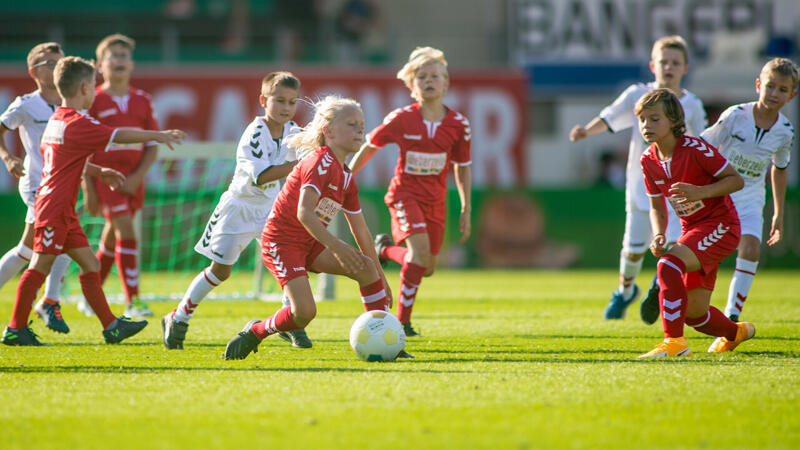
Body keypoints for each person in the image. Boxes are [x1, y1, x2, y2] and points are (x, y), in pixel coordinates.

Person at [1, 56, 185, 346]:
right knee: (38, 266)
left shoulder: (58, 118)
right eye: (93, 85)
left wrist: (99, 171)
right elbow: (119, 135)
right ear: (85, 88)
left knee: (90, 265)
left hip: (60, 207)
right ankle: (15, 329)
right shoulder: (77, 123)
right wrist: (157, 135)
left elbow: (67, 161)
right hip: (54, 207)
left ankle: (111, 326)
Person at [224, 95, 397, 360]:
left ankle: (388, 343)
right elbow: (304, 213)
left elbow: (361, 231)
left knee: (368, 270)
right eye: (351, 124)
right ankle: (257, 331)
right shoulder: (319, 162)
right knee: (304, 313)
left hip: (312, 243)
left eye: (361, 124)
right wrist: (337, 246)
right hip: (282, 243)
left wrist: (381, 278)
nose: (360, 129)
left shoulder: (346, 175)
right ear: (328, 131)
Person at [162, 71, 305, 350]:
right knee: (221, 271)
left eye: (292, 102)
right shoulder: (254, 133)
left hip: (271, 209)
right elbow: (261, 176)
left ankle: (291, 323)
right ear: (263, 100)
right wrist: (299, 166)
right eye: (279, 101)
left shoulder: (293, 132)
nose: (286, 108)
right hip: (238, 208)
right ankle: (178, 317)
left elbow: (313, 149)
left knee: (289, 263)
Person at [569, 35, 707, 323]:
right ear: (652, 65)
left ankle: (662, 291)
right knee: (633, 251)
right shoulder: (637, 96)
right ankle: (625, 291)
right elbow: (610, 117)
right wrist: (585, 131)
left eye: (675, 62)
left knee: (672, 249)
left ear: (685, 68)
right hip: (640, 187)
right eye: (663, 61)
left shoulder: (691, 105)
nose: (668, 67)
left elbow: (704, 143)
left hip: (677, 192)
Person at [348, 46, 472, 337]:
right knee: (418, 257)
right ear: (412, 85)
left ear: (446, 83)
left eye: (435, 76)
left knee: (426, 267)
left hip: (435, 200)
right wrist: (346, 176)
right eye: (422, 76)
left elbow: (462, 166)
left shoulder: (459, 125)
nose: (429, 80)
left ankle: (386, 250)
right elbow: (370, 147)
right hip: (404, 195)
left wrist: (466, 208)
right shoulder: (401, 118)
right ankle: (401, 323)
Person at [636, 88, 751, 357]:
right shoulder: (648, 160)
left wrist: (700, 192)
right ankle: (737, 333)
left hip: (722, 226)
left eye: (654, 119)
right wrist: (658, 234)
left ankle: (674, 343)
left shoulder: (695, 148)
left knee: (667, 265)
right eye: (642, 119)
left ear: (674, 121)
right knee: (695, 315)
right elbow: (657, 206)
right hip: (694, 230)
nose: (646, 125)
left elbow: (736, 180)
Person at [699, 58, 797, 336]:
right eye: (770, 86)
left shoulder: (785, 131)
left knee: (751, 248)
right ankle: (680, 295)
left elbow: (779, 169)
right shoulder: (735, 115)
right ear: (758, 85)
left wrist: (778, 212)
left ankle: (731, 316)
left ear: (792, 95)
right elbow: (705, 143)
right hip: (719, 192)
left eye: (782, 89)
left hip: (751, 196)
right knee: (705, 254)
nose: (774, 94)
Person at [82, 34, 159, 318]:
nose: (119, 60)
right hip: (106, 178)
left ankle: (92, 295)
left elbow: (152, 145)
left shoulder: (143, 100)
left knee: (113, 236)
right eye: (112, 56)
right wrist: (88, 186)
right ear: (100, 65)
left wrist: (139, 176)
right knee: (126, 229)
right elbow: (84, 146)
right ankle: (134, 301)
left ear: (132, 64)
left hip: (133, 178)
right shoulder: (93, 99)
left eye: (123, 56)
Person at [0, 42, 73, 334]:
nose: (55, 67)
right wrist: (7, 157)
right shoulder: (26, 104)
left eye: (59, 61)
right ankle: (48, 302)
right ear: (33, 72)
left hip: (63, 184)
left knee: (31, 249)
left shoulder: (68, 103)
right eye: (48, 63)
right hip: (37, 185)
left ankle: (49, 301)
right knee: (48, 245)